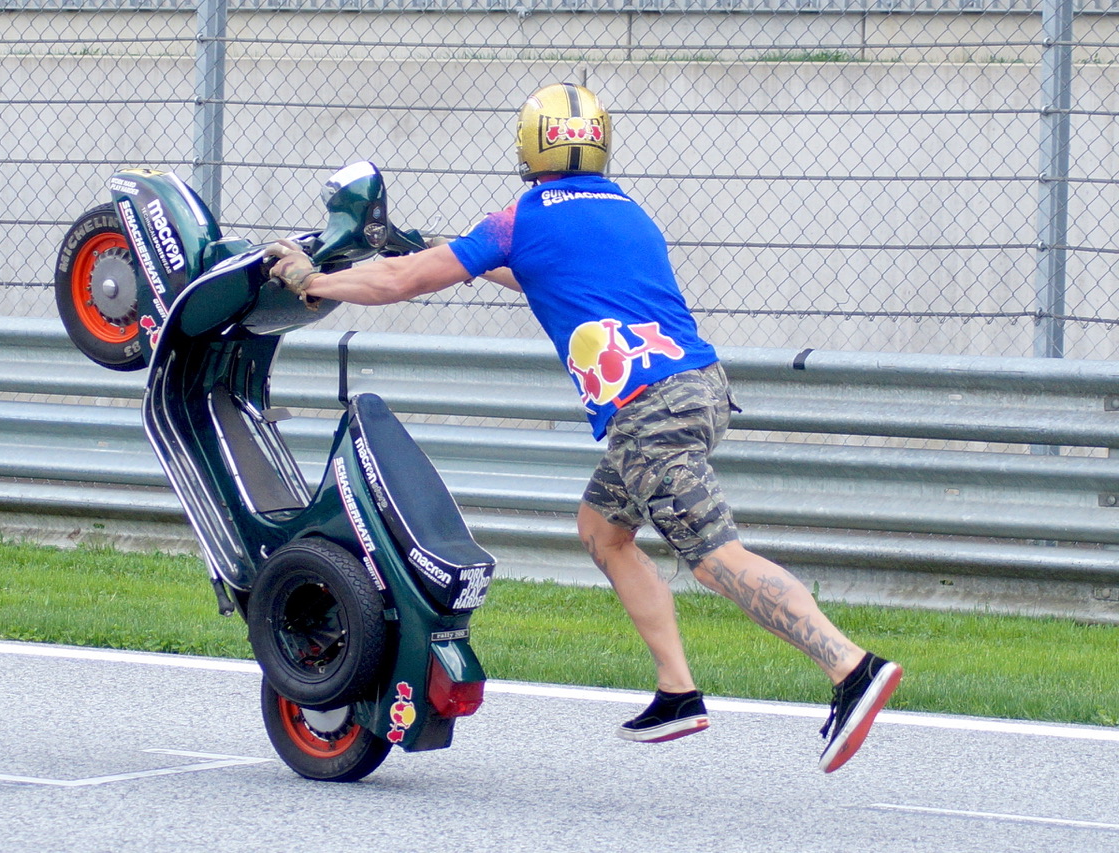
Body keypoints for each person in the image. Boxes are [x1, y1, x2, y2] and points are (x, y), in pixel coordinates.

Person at [265, 83, 902, 773]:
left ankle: (851, 667)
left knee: (716, 557)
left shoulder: (525, 214)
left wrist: (313, 280)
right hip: (697, 389)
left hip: (650, 409)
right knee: (603, 528)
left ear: (529, 144)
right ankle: (677, 691)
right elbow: (546, 273)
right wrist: (458, 256)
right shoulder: (626, 208)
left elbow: (402, 282)